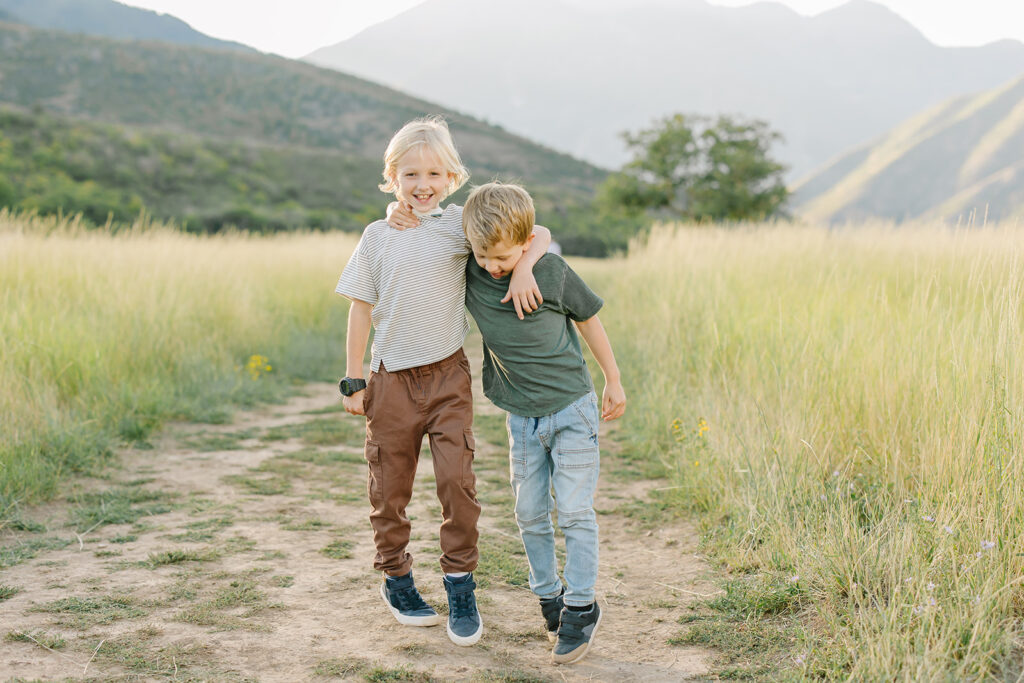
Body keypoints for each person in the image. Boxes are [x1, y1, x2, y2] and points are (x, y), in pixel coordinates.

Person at [335, 117, 550, 647]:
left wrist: (525, 269)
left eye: (434, 172)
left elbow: (536, 234)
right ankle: (397, 578)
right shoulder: (378, 235)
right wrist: (353, 379)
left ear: (452, 177)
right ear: (393, 176)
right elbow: (360, 309)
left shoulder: (460, 227)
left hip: (448, 376)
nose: (422, 183)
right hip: (389, 382)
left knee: (458, 482)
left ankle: (460, 583)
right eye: (411, 174)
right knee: (390, 486)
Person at [460, 182, 626, 665]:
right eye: (484, 256)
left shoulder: (549, 272)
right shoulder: (473, 269)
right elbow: (446, 228)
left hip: (572, 408)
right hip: (522, 417)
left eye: (505, 258)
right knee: (529, 513)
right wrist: (514, 260)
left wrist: (613, 379)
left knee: (573, 511)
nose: (493, 266)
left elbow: (589, 320)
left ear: (526, 243)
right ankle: (548, 595)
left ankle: (580, 606)